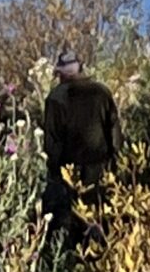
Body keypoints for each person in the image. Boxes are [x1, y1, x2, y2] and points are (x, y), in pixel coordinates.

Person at [40, 50, 120, 251]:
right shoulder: (102, 93)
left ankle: (72, 258)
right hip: (100, 169)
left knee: (70, 221)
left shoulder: (56, 98)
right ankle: (101, 256)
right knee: (101, 217)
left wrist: (54, 173)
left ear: (60, 73)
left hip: (70, 172)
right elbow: (115, 134)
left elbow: (52, 143)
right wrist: (114, 164)